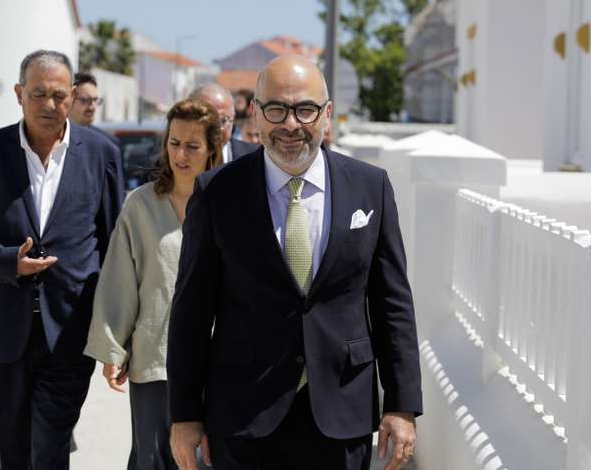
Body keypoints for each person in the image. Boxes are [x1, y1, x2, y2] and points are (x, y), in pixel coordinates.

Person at [167, 55, 422, 470]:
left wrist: (402, 405)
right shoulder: (217, 193)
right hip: (243, 417)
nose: (290, 124)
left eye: (305, 109)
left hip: (342, 413)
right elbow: (191, 312)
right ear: (256, 113)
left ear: (327, 115)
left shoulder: (370, 188)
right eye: (276, 109)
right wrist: (185, 414)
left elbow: (393, 304)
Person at [0, 49, 125, 470]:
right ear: (19, 93)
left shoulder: (101, 154)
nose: (50, 105)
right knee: (10, 453)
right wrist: (8, 262)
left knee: (50, 451)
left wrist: (117, 329)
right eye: (39, 93)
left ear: (73, 97)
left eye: (60, 95)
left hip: (69, 333)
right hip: (1, 334)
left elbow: (114, 243)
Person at [85, 98, 223, 470]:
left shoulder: (230, 205)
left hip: (218, 361)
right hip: (155, 359)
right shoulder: (140, 205)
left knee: (209, 459)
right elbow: (120, 279)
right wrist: (113, 347)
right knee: (153, 459)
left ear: (212, 149)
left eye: (192, 146)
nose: (180, 154)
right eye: (174, 143)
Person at [189, 83, 257, 162]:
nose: (216, 129)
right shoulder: (178, 159)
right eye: (206, 120)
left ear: (233, 117)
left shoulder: (254, 157)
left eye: (223, 121)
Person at [69, 72, 121, 146]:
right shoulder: (54, 139)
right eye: (85, 100)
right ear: (70, 99)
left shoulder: (108, 144)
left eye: (95, 100)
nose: (93, 106)